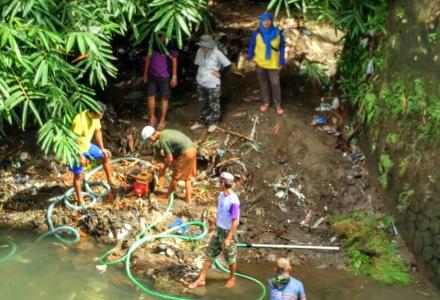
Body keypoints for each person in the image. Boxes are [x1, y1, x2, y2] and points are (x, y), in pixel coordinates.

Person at [189, 172, 240, 289]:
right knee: (209, 253)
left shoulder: (234, 201)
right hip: (219, 230)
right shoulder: (221, 195)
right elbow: (220, 213)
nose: (218, 183)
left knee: (230, 258)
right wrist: (214, 228)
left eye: (220, 182)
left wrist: (229, 238)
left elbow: (235, 221)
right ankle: (202, 279)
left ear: (223, 183)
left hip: (228, 232)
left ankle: (232, 277)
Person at [70, 102, 113, 206]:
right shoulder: (79, 120)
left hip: (87, 146)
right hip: (75, 151)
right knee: (78, 175)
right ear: (94, 112)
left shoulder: (96, 118)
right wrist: (80, 156)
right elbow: (73, 140)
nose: (101, 117)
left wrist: (102, 148)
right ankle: (80, 200)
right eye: (100, 114)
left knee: (105, 155)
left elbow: (98, 132)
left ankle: (110, 180)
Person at [141, 126, 197, 204]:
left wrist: (163, 170)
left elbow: (170, 158)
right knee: (187, 177)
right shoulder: (164, 132)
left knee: (175, 177)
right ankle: (188, 199)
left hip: (185, 152)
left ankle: (166, 196)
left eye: (149, 140)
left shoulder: (162, 140)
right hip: (192, 149)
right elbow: (173, 150)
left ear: (151, 137)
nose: (150, 142)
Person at [191, 35, 231, 133]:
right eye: (202, 46)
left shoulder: (217, 53)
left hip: (213, 82)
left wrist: (220, 73)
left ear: (210, 45)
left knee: (214, 103)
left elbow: (228, 64)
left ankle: (214, 122)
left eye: (205, 46)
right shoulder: (199, 51)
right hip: (201, 81)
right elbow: (197, 64)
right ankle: (201, 121)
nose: (203, 48)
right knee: (202, 102)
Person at [248, 12, 285, 115]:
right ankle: (266, 102)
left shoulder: (278, 32)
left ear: (271, 21)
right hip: (260, 62)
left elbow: (282, 47)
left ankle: (277, 105)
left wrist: (282, 60)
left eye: (269, 20)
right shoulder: (256, 33)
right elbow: (252, 45)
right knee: (263, 83)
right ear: (261, 21)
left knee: (275, 83)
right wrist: (250, 57)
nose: (267, 22)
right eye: (264, 20)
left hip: (273, 63)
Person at [143, 34, 179, 130]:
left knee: (164, 98)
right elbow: (148, 57)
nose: (160, 36)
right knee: (150, 96)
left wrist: (174, 76)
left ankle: (162, 119)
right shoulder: (153, 41)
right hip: (152, 74)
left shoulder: (171, 43)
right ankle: (152, 117)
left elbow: (174, 59)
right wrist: (145, 73)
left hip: (165, 75)